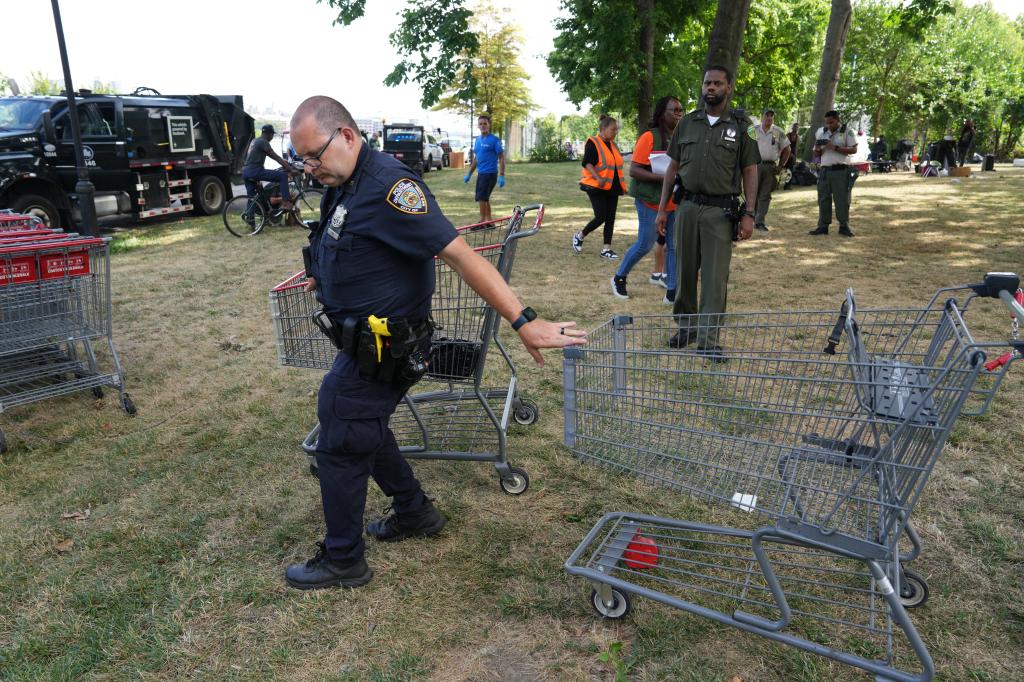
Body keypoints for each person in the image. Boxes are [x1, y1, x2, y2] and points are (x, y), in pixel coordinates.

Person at [283, 96, 586, 591]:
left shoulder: (391, 188)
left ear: (347, 136)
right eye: (304, 160)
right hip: (367, 340)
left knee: (340, 425)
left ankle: (343, 560)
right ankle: (414, 512)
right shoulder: (343, 181)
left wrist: (523, 319)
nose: (311, 168)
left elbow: (463, 257)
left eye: (315, 155)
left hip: (389, 345)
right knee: (361, 420)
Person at [655, 65, 759, 359]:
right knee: (685, 270)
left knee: (714, 278)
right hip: (686, 207)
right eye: (707, 83)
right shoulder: (687, 123)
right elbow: (672, 168)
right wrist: (663, 209)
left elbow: (750, 169)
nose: (710, 88)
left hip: (719, 212)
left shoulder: (742, 126)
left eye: (717, 83)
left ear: (728, 88)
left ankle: (708, 340)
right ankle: (686, 327)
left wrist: (750, 213)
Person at [610, 96, 683, 300]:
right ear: (662, 113)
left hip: (673, 202)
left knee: (674, 245)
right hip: (649, 200)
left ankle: (672, 291)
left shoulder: (682, 136)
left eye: (681, 109)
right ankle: (619, 277)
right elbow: (634, 170)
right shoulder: (649, 137)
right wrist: (665, 178)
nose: (679, 113)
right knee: (645, 243)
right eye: (675, 109)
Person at [572, 115, 628, 259]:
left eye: (617, 129)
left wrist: (622, 185)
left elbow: (616, 166)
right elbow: (587, 163)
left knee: (610, 218)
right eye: (613, 129)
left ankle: (606, 249)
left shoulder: (613, 144)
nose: (615, 132)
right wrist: (598, 177)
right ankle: (579, 236)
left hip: (613, 187)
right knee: (601, 217)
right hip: (597, 186)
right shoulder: (593, 142)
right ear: (603, 129)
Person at [808, 110, 858, 238]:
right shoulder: (822, 132)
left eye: (831, 122)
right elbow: (816, 154)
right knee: (823, 199)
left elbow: (854, 149)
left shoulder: (847, 131)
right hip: (825, 171)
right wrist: (818, 149)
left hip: (840, 171)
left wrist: (834, 147)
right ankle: (823, 226)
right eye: (827, 122)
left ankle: (844, 226)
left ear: (837, 120)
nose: (829, 125)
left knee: (842, 199)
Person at [751, 108, 790, 232]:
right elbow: (743, 145)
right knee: (752, 193)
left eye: (771, 116)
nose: (769, 118)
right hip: (754, 165)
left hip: (770, 167)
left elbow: (787, 149)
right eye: (767, 116)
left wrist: (781, 165)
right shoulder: (753, 130)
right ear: (761, 116)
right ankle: (750, 218)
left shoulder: (778, 131)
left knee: (765, 194)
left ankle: (759, 221)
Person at [462, 115, 505, 222]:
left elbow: (501, 158)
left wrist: (501, 175)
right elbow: (476, 158)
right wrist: (469, 174)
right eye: (480, 124)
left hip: (490, 174)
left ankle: (482, 221)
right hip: (481, 173)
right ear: (478, 126)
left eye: (485, 123)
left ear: (489, 125)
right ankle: (489, 221)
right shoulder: (477, 140)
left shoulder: (494, 140)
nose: (483, 126)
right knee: (485, 198)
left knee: (482, 198)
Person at [242, 124, 294, 209]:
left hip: (246, 171)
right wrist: (289, 168)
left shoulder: (254, 141)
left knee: (252, 198)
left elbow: (245, 156)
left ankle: (250, 217)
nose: (272, 137)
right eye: (272, 134)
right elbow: (275, 157)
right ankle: (286, 202)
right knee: (283, 176)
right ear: (269, 134)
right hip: (255, 171)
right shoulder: (263, 142)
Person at [783, 122, 799, 189]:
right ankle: (786, 184)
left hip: (792, 156)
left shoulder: (797, 137)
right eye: (795, 127)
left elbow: (796, 148)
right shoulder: (788, 135)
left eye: (797, 127)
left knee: (790, 169)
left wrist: (795, 156)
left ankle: (788, 184)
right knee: (788, 169)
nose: (796, 128)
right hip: (786, 154)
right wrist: (789, 154)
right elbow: (785, 146)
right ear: (792, 128)